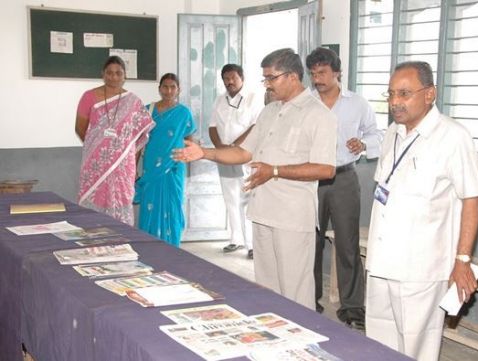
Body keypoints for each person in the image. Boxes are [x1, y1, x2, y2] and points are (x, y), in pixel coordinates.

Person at [173, 48, 337, 309]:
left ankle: (301, 342)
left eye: (272, 78)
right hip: (262, 213)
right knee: (268, 289)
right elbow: (243, 152)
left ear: (293, 77)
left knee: (295, 290)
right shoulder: (270, 112)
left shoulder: (318, 115)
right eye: (265, 79)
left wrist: (274, 171)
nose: (267, 84)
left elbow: (326, 169)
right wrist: (204, 152)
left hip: (292, 219)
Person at [365, 61, 478, 361]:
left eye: (404, 93)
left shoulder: (453, 136)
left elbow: (471, 199)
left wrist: (463, 261)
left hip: (420, 268)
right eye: (391, 94)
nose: (394, 102)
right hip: (381, 263)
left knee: (416, 349)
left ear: (430, 94)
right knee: (379, 343)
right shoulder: (393, 131)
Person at [305, 47, 382, 327]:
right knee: (309, 242)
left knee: (347, 244)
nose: (318, 79)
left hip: (344, 178)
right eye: (313, 74)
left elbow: (376, 134)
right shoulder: (306, 103)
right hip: (311, 179)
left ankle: (352, 308)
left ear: (337, 72)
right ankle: (309, 301)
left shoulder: (357, 104)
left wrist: (363, 144)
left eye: (323, 73)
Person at [75, 56, 153, 225]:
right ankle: (93, 239)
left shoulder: (133, 101)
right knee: (95, 200)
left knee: (121, 203)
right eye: (109, 73)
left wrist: (127, 158)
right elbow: (80, 128)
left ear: (125, 76)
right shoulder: (89, 96)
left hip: (123, 165)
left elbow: (140, 135)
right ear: (103, 74)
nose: (114, 77)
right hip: (95, 162)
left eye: (118, 73)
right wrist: (96, 146)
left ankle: (120, 242)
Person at [134, 73, 197, 247]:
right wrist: (134, 168)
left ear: (178, 90)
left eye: (172, 87)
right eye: (165, 87)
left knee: (172, 206)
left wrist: (187, 155)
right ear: (159, 88)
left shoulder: (183, 113)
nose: (168, 91)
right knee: (149, 206)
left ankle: (172, 247)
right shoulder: (148, 110)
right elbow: (139, 143)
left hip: (174, 167)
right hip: (151, 168)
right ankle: (149, 246)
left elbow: (190, 140)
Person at [209, 64, 264, 258]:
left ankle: (252, 245)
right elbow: (213, 127)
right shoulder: (219, 100)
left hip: (245, 156)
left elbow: (256, 126)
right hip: (224, 156)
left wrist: (236, 146)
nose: (229, 82)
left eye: (233, 78)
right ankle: (236, 239)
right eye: (226, 78)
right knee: (230, 198)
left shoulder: (253, 98)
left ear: (242, 78)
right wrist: (220, 148)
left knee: (247, 199)